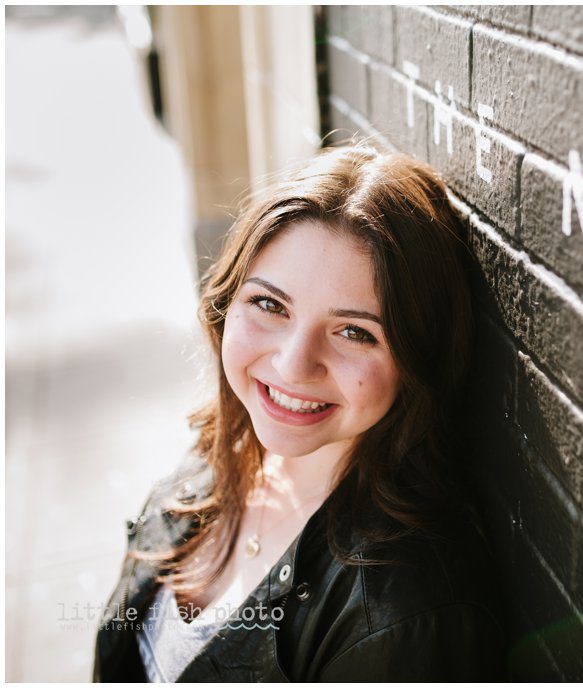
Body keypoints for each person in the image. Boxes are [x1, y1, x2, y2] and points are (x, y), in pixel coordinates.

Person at [93, 145, 505, 681]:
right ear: (228, 301)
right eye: (270, 304)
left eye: (354, 332)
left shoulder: (405, 614)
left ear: (417, 357)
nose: (293, 365)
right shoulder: (217, 458)